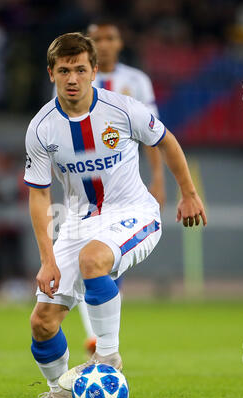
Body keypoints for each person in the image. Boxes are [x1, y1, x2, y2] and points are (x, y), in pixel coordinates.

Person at [24, 32, 207, 398]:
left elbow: (166, 141)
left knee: (94, 260)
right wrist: (47, 259)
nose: (72, 78)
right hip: (77, 223)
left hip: (133, 212)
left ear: (94, 72)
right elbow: (39, 194)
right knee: (42, 321)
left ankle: (107, 360)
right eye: (63, 70)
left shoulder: (123, 109)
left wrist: (187, 193)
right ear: (51, 74)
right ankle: (60, 392)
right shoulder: (41, 128)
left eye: (79, 69)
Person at [53, 21, 167, 355]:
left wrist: (158, 178)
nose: (104, 42)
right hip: (81, 193)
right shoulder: (71, 79)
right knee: (89, 259)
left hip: (122, 192)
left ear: (119, 43)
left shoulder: (136, 82)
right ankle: (96, 339)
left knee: (103, 260)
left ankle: (101, 339)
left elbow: (154, 134)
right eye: (98, 38)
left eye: (110, 37)